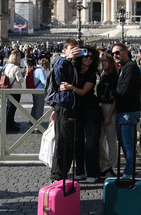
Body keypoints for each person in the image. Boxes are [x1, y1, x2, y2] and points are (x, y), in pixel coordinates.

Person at [61, 47, 101, 184]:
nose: (88, 59)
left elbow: (83, 91)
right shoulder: (74, 70)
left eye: (91, 57)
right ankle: (80, 171)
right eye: (86, 56)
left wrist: (71, 87)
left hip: (91, 110)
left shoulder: (91, 74)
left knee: (91, 143)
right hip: (77, 109)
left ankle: (93, 172)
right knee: (77, 141)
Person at [49, 39, 79, 181]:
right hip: (63, 105)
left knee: (68, 140)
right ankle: (57, 174)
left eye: (76, 49)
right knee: (61, 140)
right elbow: (58, 72)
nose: (75, 52)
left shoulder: (73, 64)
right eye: (72, 49)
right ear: (65, 50)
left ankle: (64, 171)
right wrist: (67, 58)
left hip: (70, 105)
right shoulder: (61, 61)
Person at [111, 42, 141, 178]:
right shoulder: (123, 67)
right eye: (113, 54)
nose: (115, 55)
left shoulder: (130, 67)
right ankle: (130, 168)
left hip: (128, 112)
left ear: (125, 52)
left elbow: (124, 89)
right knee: (124, 143)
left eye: (117, 52)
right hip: (124, 111)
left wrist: (111, 94)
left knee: (128, 144)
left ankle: (129, 172)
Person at [97, 54, 118, 178]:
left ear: (111, 63)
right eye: (102, 61)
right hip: (101, 107)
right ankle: (105, 164)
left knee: (111, 141)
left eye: (106, 61)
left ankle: (110, 167)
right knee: (100, 140)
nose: (103, 63)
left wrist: (109, 116)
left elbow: (116, 99)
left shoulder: (115, 78)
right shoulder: (103, 76)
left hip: (110, 109)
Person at [2, 51, 25, 132]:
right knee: (12, 108)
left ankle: (9, 122)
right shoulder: (16, 68)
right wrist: (23, 75)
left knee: (9, 107)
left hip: (8, 89)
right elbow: (20, 79)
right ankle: (9, 125)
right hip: (15, 89)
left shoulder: (7, 66)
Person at [30, 58, 48, 124]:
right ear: (44, 65)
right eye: (47, 66)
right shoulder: (40, 71)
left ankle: (32, 121)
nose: (47, 68)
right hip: (39, 91)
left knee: (35, 106)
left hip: (35, 89)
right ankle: (37, 123)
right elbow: (44, 82)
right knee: (39, 108)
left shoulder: (36, 69)